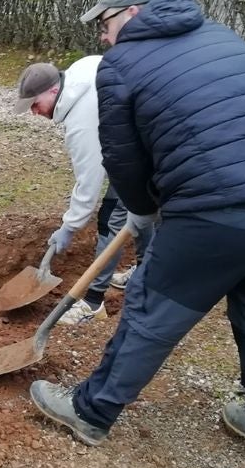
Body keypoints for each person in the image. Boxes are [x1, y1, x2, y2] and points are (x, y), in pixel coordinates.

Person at [29, 0, 245, 466]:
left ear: (133, 13)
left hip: (219, 211)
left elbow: (122, 158)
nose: (102, 34)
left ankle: (91, 411)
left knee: (150, 312)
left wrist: (142, 212)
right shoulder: (227, 38)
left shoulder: (121, 63)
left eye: (105, 22)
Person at [13, 58, 151, 324]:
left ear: (53, 91)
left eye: (34, 105)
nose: (34, 112)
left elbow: (89, 183)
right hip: (142, 140)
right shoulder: (82, 68)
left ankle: (92, 302)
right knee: (137, 207)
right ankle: (149, 269)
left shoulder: (81, 121)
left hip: (149, 148)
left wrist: (70, 226)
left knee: (111, 217)